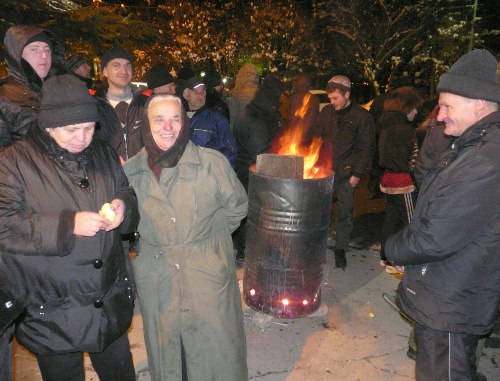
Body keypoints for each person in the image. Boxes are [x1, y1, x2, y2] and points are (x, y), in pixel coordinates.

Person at [0, 74, 139, 381]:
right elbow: (5, 224)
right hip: (54, 310)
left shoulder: (103, 152)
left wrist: (123, 206)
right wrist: (67, 224)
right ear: (49, 127)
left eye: (88, 128)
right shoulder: (14, 162)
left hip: (107, 302)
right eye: (71, 129)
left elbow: (126, 190)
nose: (81, 137)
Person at [385, 49, 500, 381]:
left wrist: (392, 249)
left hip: (453, 302)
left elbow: (436, 234)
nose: (439, 116)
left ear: (478, 103)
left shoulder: (486, 158)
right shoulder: (472, 144)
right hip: (447, 293)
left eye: (448, 106)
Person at [123, 94, 248, 381]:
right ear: (146, 124)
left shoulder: (211, 163)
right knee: (170, 354)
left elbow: (237, 207)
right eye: (159, 119)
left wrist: (207, 242)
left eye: (175, 118)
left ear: (185, 123)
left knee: (214, 352)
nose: (168, 126)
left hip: (205, 273)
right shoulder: (131, 171)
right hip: (158, 274)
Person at [307, 75, 375, 269]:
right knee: (321, 211)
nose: (332, 102)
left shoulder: (362, 117)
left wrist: (357, 174)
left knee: (345, 213)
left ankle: (340, 248)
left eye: (336, 98)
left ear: (347, 94)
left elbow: (366, 148)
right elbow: (317, 137)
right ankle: (318, 245)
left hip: (347, 174)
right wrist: (313, 161)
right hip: (324, 172)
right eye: (330, 98)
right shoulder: (326, 112)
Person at [232, 74, 285, 261]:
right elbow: (260, 154)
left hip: (243, 169)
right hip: (251, 173)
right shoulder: (257, 122)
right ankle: (246, 250)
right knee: (252, 213)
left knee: (246, 211)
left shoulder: (250, 113)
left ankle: (243, 247)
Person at [0, 25, 67, 148]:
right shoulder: (4, 96)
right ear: (17, 54)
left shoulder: (64, 89)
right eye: (34, 49)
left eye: (47, 50)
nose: (44, 56)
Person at [377, 87, 422, 270]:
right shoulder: (406, 130)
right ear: (406, 108)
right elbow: (413, 160)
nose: (416, 112)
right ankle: (404, 260)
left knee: (391, 219)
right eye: (414, 108)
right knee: (409, 222)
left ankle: (385, 256)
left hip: (388, 179)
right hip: (403, 182)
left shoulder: (386, 126)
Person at [95, 46, 149, 162]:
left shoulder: (148, 105)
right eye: (116, 65)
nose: (123, 71)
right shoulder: (94, 108)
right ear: (105, 71)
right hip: (109, 177)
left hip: (144, 176)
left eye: (127, 66)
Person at [183, 77, 237, 168]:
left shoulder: (217, 119)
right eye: (195, 92)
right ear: (186, 95)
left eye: (202, 92)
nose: (200, 96)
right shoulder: (177, 119)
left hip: (210, 175)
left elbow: (230, 151)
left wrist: (219, 173)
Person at [228, 63, 260, 127]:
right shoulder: (263, 93)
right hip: (260, 132)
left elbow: (233, 118)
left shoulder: (237, 95)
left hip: (242, 132)